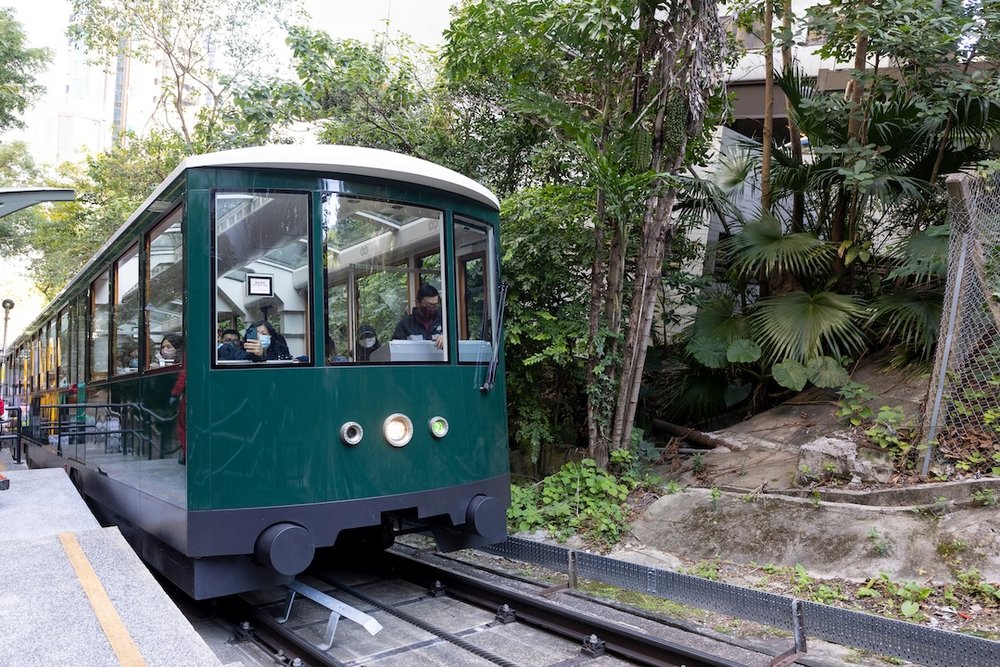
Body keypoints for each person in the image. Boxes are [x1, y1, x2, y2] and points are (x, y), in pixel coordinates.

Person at [392, 284, 445, 348]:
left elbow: (454, 341)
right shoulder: (405, 325)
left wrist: (447, 338)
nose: (432, 308)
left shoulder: (444, 322)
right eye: (428, 305)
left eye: (435, 305)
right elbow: (395, 348)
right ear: (417, 303)